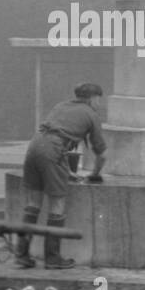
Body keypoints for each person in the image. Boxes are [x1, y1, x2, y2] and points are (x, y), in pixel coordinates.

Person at [15, 82, 107, 269]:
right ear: (93, 98)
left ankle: (21, 255)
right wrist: (94, 174)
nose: (101, 104)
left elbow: (54, 135)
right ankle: (53, 258)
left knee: (33, 203)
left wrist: (66, 171)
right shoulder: (91, 114)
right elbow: (102, 154)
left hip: (34, 146)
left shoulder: (61, 106)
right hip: (53, 149)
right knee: (57, 203)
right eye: (100, 99)